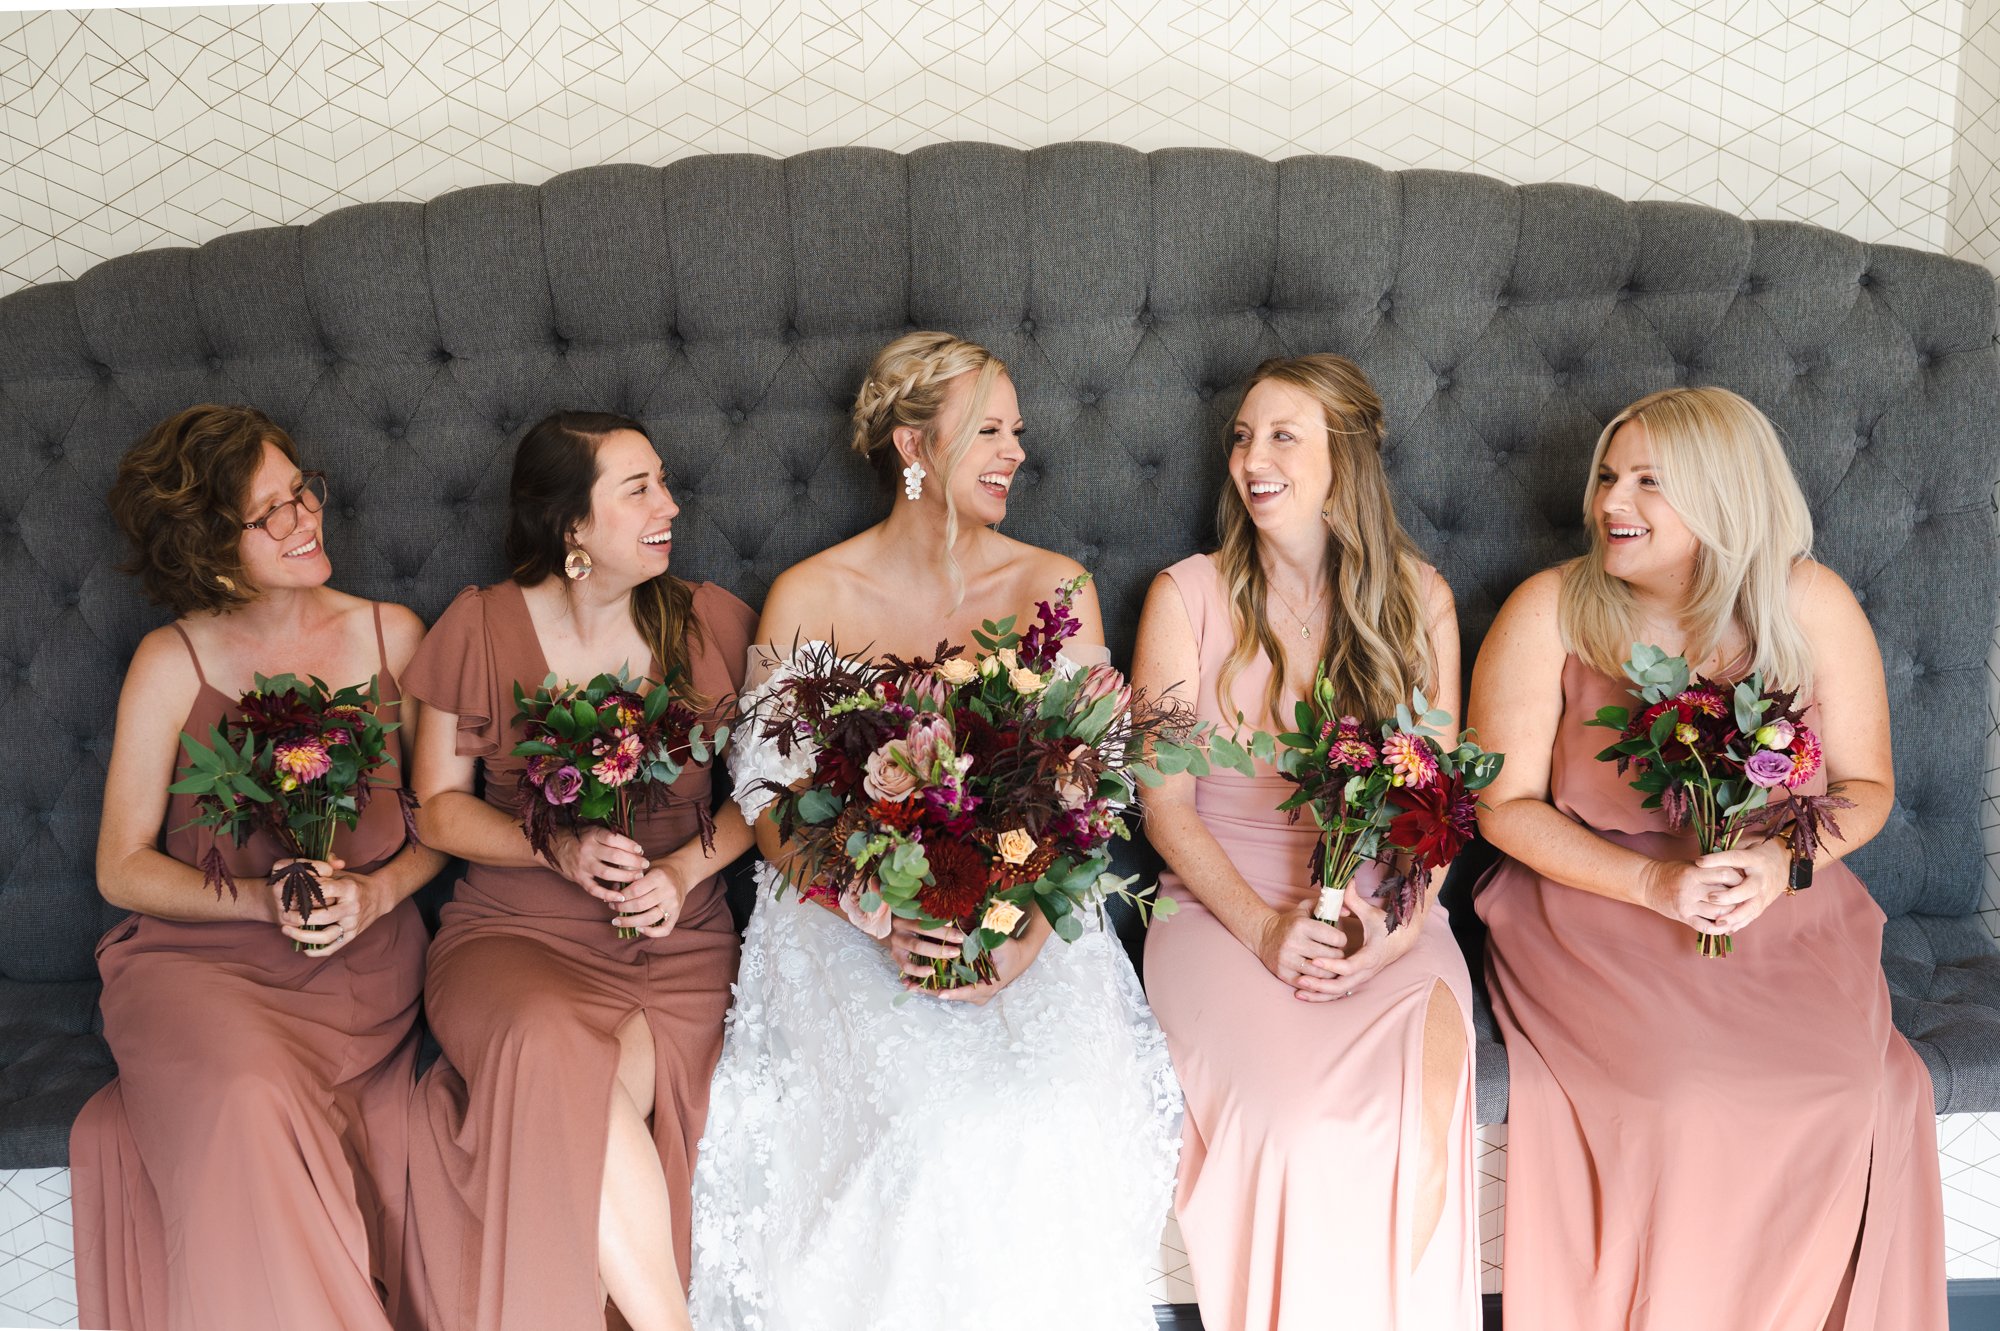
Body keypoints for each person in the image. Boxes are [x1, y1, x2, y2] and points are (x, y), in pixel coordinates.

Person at [687, 332, 1180, 1331]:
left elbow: (1085, 794)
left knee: (1044, 1115)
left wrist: (1019, 928)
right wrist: (874, 913)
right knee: (922, 1129)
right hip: (848, 909)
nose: (1015, 451)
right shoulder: (810, 593)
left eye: (1018, 430)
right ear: (913, 445)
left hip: (1021, 902)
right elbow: (771, 801)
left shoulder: (1056, 585)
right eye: (989, 429)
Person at [1469, 386, 1947, 1330]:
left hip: (1778, 898)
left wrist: (1778, 864)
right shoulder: (1552, 607)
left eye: (1649, 481)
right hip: (1595, 899)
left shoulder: (1811, 603)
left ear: (1724, 496)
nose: (1613, 501)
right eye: (1610, 475)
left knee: (1857, 1086)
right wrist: (1652, 881)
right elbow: (1501, 805)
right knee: (1680, 1096)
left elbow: (1864, 786)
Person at [72, 404, 438, 1331]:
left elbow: (449, 819)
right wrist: (257, 900)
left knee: (273, 1100)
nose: (305, 517)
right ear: (208, 545)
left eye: (301, 491)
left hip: (358, 966)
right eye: (269, 511)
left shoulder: (397, 634)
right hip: (195, 967)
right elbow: (121, 866)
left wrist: (378, 890)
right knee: (244, 1093)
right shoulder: (171, 660)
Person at [1134, 354, 1479, 1329]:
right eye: (1242, 435)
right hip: (1218, 909)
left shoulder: (1421, 601)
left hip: (1387, 913)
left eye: (1282, 435)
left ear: (1346, 460)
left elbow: (1435, 799)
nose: (1252, 457)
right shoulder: (1185, 597)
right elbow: (1165, 807)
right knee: (1288, 1130)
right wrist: (1262, 927)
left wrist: (1399, 926)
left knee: (1418, 1125)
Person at [401, 411, 757, 1331]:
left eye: (664, 481)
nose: (669, 505)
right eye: (637, 489)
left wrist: (680, 874)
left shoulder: (708, 620)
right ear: (572, 528)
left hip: (673, 943)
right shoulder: (480, 625)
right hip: (512, 935)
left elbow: (767, 797)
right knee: (555, 1053)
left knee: (585, 1109)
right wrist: (552, 846)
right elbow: (437, 807)